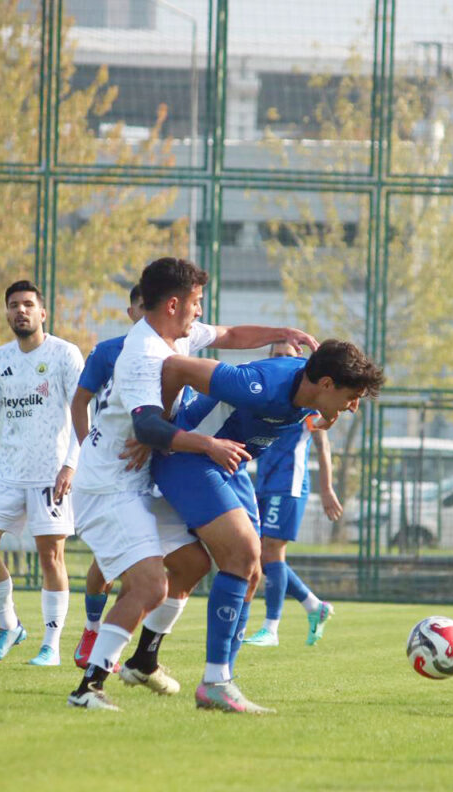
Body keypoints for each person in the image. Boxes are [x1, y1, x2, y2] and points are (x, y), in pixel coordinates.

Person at [66, 257, 317, 711]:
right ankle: (88, 688)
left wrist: (284, 334)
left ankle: (144, 660)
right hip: (106, 489)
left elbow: (230, 336)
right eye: (197, 304)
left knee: (193, 564)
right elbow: (146, 429)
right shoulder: (143, 355)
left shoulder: (172, 334)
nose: (200, 313)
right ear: (174, 304)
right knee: (149, 586)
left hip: (135, 482)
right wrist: (209, 446)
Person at [155, 339, 384, 713]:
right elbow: (176, 368)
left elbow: (310, 413)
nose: (354, 407)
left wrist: (328, 411)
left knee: (251, 572)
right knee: (242, 555)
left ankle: (221, 678)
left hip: (229, 467)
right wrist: (156, 429)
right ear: (326, 383)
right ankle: (213, 682)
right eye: (352, 396)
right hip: (189, 459)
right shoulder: (259, 384)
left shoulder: (308, 394)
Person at [0, 280, 84, 667]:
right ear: (7, 312)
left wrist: (71, 463)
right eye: (13, 305)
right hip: (9, 472)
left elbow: (83, 411)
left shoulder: (65, 354)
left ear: (42, 313)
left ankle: (51, 645)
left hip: (51, 474)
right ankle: (9, 625)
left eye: (28, 304)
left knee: (51, 557)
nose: (21, 311)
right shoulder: (0, 358)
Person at [241, 342, 341, 648]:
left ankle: (271, 629)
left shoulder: (308, 403)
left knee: (271, 552)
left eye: (288, 355)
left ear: (298, 359)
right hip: (265, 483)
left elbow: (322, 444)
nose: (282, 359)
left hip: (290, 483)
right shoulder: (271, 394)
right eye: (277, 355)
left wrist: (326, 489)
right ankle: (314, 606)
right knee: (259, 554)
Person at [68, 284, 142, 669]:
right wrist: (86, 447)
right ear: (131, 311)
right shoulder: (109, 351)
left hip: (152, 469)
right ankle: (93, 627)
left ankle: (123, 652)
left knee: (143, 568)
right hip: (110, 473)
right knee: (107, 565)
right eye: (141, 307)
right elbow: (80, 399)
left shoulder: (174, 351)